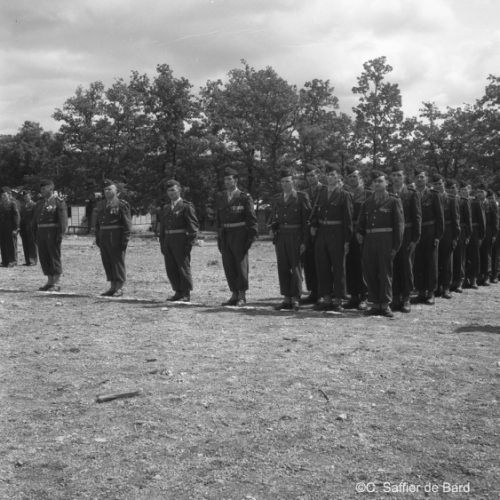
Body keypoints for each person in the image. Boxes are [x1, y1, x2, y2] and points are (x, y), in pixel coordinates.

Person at [357, 170, 404, 317]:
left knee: (385, 273)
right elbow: (361, 222)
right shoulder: (367, 203)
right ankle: (374, 303)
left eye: (380, 181)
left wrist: (396, 246)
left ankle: (385, 305)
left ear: (386, 183)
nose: (377, 184)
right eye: (374, 182)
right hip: (370, 240)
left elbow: (399, 225)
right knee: (370, 272)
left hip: (386, 240)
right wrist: (359, 233)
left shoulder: (393, 201)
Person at [310, 164, 353, 312]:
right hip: (322, 233)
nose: (330, 177)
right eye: (328, 175)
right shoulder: (321, 194)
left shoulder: (344, 195)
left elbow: (348, 219)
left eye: (333, 175)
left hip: (337, 233)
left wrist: (347, 240)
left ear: (339, 177)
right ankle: (326, 298)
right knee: (322, 266)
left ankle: (339, 299)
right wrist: (313, 225)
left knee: (338, 267)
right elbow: (315, 212)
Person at [269, 169, 311, 310]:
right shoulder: (277, 198)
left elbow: (306, 221)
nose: (285, 184)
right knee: (283, 267)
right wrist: (272, 228)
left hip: (296, 236)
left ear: (293, 182)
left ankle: (296, 298)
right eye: (282, 182)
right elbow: (274, 217)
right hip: (281, 236)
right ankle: (286, 297)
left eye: (287, 181)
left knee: (296, 267)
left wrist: (304, 241)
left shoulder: (301, 197)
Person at [216, 167, 258, 306]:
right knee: (228, 265)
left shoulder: (244, 197)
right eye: (225, 179)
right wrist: (219, 236)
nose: (227, 182)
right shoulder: (221, 197)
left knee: (240, 265)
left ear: (236, 180)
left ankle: (241, 295)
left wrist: (250, 237)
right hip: (225, 234)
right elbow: (218, 219)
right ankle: (234, 293)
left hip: (240, 234)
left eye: (229, 179)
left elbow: (251, 218)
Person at [158, 179, 199, 302]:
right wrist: (162, 243)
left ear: (179, 190)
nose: (171, 193)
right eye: (168, 191)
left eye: (173, 190)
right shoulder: (166, 208)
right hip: (168, 240)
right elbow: (162, 227)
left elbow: (193, 226)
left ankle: (186, 293)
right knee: (171, 267)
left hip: (181, 240)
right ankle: (177, 291)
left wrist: (190, 242)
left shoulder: (186, 206)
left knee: (182, 266)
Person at [389, 165, 421, 313]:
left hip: (407, 234)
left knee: (406, 266)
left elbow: (417, 217)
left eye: (399, 175)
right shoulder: (387, 192)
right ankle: (395, 297)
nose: (396, 178)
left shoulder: (411, 193)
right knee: (393, 265)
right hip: (391, 234)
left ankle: (406, 297)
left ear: (404, 177)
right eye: (394, 175)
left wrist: (415, 238)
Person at [94, 180, 132, 297]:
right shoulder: (101, 204)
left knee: (117, 261)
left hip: (116, 236)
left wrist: (125, 239)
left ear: (116, 191)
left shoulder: (122, 204)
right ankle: (112, 286)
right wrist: (98, 236)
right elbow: (97, 223)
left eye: (110, 189)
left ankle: (119, 287)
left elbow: (127, 224)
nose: (107, 191)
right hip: (104, 236)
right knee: (107, 261)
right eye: (105, 189)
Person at [413, 169, 444, 304]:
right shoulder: (411, 194)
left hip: (430, 231)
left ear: (426, 179)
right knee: (418, 262)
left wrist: (438, 235)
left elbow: (440, 216)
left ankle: (431, 292)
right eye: (417, 177)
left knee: (431, 262)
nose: (419, 179)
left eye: (422, 177)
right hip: (416, 232)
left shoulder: (433, 194)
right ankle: (421, 291)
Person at [343, 166, 371, 310]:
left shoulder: (367, 193)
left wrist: (363, 232)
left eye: (355, 176)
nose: (352, 179)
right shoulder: (344, 193)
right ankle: (353, 296)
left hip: (362, 232)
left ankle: (365, 296)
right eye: (350, 177)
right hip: (348, 231)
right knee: (349, 264)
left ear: (360, 178)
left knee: (362, 264)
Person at [33, 179, 68, 291]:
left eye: (44, 188)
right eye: (41, 189)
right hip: (41, 233)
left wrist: (60, 234)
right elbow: (35, 220)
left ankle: (56, 282)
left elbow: (62, 220)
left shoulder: (58, 201)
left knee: (54, 257)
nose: (42, 191)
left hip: (52, 233)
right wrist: (35, 234)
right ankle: (49, 281)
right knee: (44, 257)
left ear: (51, 188)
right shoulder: (40, 203)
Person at [301, 164, 324, 304]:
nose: (310, 178)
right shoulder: (303, 193)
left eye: (312, 175)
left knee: (322, 262)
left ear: (318, 175)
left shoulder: (325, 190)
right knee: (308, 262)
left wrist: (316, 224)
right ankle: (313, 292)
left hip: (322, 231)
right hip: (307, 232)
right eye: (308, 176)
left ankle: (323, 292)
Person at [435, 176, 460, 299]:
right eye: (435, 184)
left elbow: (456, 219)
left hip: (448, 232)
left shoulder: (451, 199)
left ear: (444, 183)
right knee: (436, 261)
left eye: (440, 183)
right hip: (435, 232)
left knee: (447, 261)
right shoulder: (432, 197)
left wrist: (455, 237)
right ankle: (437, 287)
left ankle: (446, 287)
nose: (438, 186)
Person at [451, 181, 473, 293]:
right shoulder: (450, 200)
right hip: (451, 231)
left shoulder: (464, 201)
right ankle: (452, 281)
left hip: (462, 231)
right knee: (452, 257)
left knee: (460, 257)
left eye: (455, 188)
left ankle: (460, 281)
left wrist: (468, 235)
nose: (453, 190)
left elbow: (468, 220)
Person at [465, 186, 486, 289]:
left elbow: (482, 220)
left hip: (474, 232)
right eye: (461, 190)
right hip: (463, 231)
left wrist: (481, 235)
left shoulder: (476, 203)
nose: (464, 191)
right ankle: (464, 279)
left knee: (474, 256)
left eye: (466, 189)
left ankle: (473, 279)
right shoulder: (460, 201)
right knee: (463, 256)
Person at [478, 188, 499, 286]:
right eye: (478, 192)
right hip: (479, 230)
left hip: (488, 230)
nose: (480, 194)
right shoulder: (476, 203)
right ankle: (480, 275)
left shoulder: (491, 203)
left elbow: (495, 219)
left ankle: (487, 275)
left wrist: (494, 234)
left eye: (481, 192)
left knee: (487, 253)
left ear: (485, 193)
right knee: (479, 253)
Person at [0, 187, 20, 267]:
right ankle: (5, 261)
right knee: (3, 244)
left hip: (10, 227)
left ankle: (13, 260)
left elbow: (16, 216)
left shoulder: (12, 204)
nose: (3, 197)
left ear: (8, 195)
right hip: (2, 228)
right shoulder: (1, 205)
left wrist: (16, 228)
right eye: (2, 195)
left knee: (11, 244)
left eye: (4, 195)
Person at [19, 190, 38, 266]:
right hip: (23, 228)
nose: (25, 198)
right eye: (24, 197)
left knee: (32, 244)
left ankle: (33, 260)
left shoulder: (34, 205)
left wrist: (33, 226)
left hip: (31, 228)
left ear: (30, 196)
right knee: (25, 244)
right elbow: (21, 217)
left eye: (27, 196)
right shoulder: (23, 206)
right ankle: (27, 261)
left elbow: (35, 217)